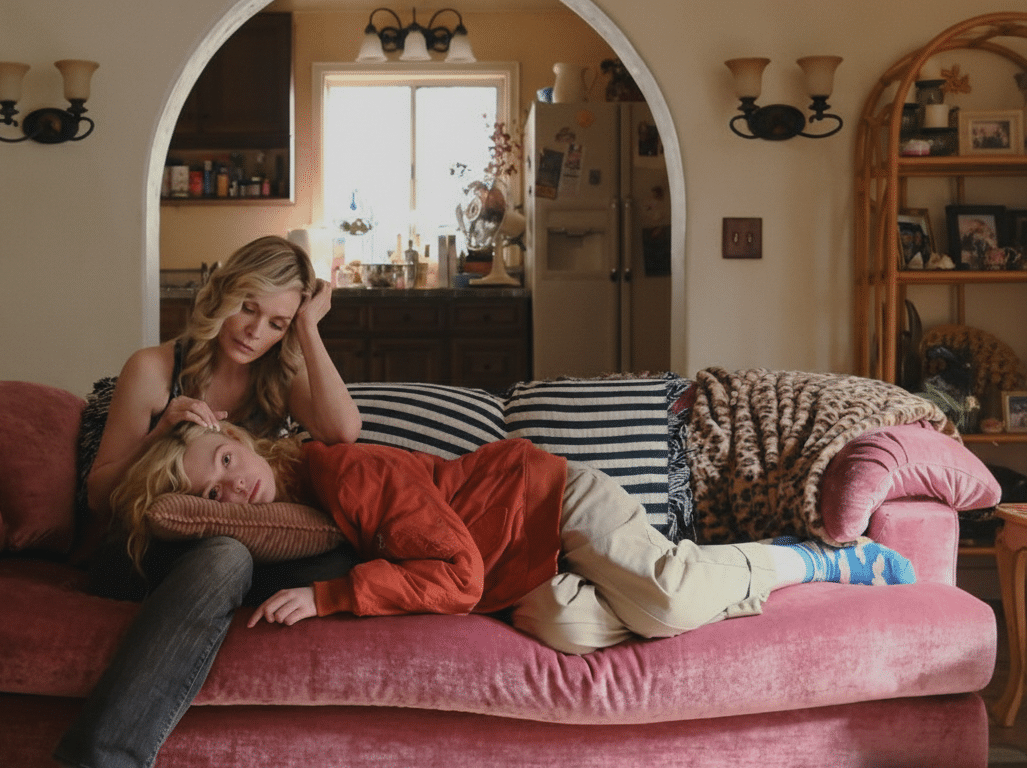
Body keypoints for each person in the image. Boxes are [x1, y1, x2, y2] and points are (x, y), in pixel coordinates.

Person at [117, 421, 917, 656]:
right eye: (210, 495)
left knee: (669, 598)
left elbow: (455, 577)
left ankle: (807, 558)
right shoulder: (290, 521)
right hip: (514, 574)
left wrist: (331, 596)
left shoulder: (347, 473)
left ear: (250, 440)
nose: (231, 490)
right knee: (570, 627)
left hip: (549, 501)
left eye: (226, 461)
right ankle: (694, 578)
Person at [54, 235, 362, 768]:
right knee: (226, 554)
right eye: (248, 307)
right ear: (223, 294)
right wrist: (160, 431)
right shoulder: (153, 368)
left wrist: (309, 328)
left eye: (277, 323)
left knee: (340, 556)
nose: (253, 331)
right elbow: (100, 495)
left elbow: (343, 430)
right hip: (141, 549)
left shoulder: (278, 377)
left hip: (248, 558)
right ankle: (100, 760)